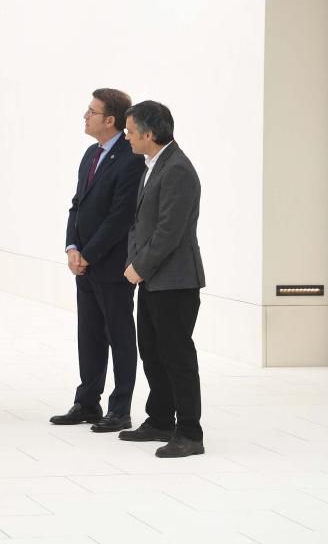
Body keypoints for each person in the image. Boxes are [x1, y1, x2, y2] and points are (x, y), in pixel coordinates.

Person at [51, 89, 144, 433]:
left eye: (91, 112)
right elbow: (77, 204)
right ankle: (87, 401)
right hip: (84, 262)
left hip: (112, 264)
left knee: (119, 335)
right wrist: (72, 246)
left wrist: (89, 254)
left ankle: (120, 410)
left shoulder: (131, 156)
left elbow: (121, 217)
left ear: (110, 120)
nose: (85, 116)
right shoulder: (91, 153)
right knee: (88, 334)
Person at [120, 100, 206, 458]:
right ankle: (159, 420)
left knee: (176, 356)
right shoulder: (153, 164)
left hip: (175, 281)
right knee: (152, 353)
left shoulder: (177, 170)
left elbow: (169, 231)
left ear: (149, 134)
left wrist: (139, 266)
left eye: (130, 132)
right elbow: (143, 225)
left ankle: (189, 432)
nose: (127, 137)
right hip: (155, 280)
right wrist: (135, 262)